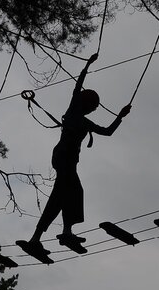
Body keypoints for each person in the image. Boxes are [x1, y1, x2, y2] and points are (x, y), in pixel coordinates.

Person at [24, 53, 130, 254]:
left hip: (67, 161)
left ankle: (41, 237)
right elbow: (77, 86)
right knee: (73, 191)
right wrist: (87, 66)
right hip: (63, 158)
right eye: (92, 107)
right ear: (86, 103)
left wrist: (120, 116)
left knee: (61, 196)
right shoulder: (73, 110)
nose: (92, 111)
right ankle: (63, 232)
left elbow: (107, 132)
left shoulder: (85, 121)